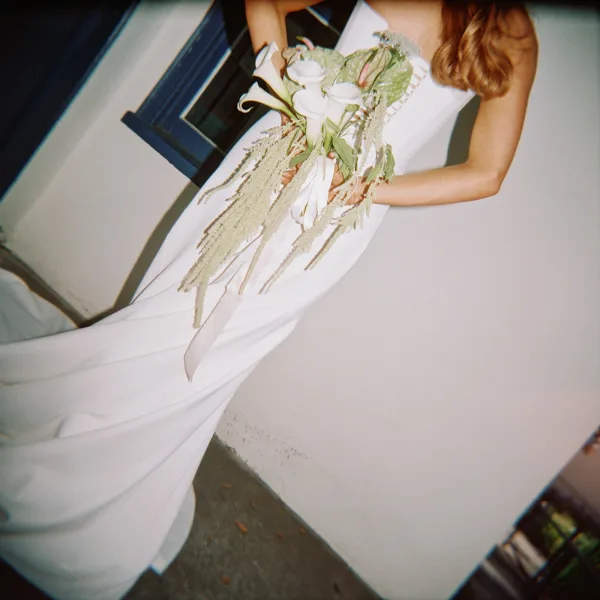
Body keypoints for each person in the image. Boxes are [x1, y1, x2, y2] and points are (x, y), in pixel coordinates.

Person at [0, 1, 537, 599]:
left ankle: (107, 491)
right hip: (263, 166)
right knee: (165, 316)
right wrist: (283, 90)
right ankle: (66, 457)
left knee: (207, 364)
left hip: (335, 219)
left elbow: (486, 172)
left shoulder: (510, 30)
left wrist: (369, 187)